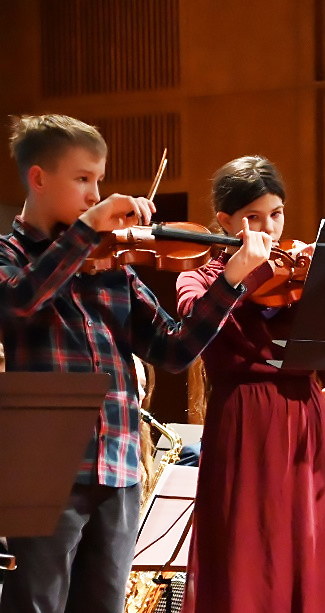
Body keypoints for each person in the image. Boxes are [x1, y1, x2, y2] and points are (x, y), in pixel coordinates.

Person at [0, 114, 270, 613]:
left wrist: (230, 281)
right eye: (83, 179)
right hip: (44, 469)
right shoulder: (10, 255)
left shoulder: (112, 266)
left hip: (118, 466)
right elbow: (19, 302)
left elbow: (174, 350)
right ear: (38, 178)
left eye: (99, 181)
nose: (95, 195)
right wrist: (86, 230)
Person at [176, 156, 325, 613]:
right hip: (245, 429)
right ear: (225, 221)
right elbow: (192, 329)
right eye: (253, 218)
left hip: (307, 428)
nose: (270, 229)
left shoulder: (303, 278)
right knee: (247, 565)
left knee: (310, 564)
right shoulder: (200, 278)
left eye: (276, 214)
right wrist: (244, 272)